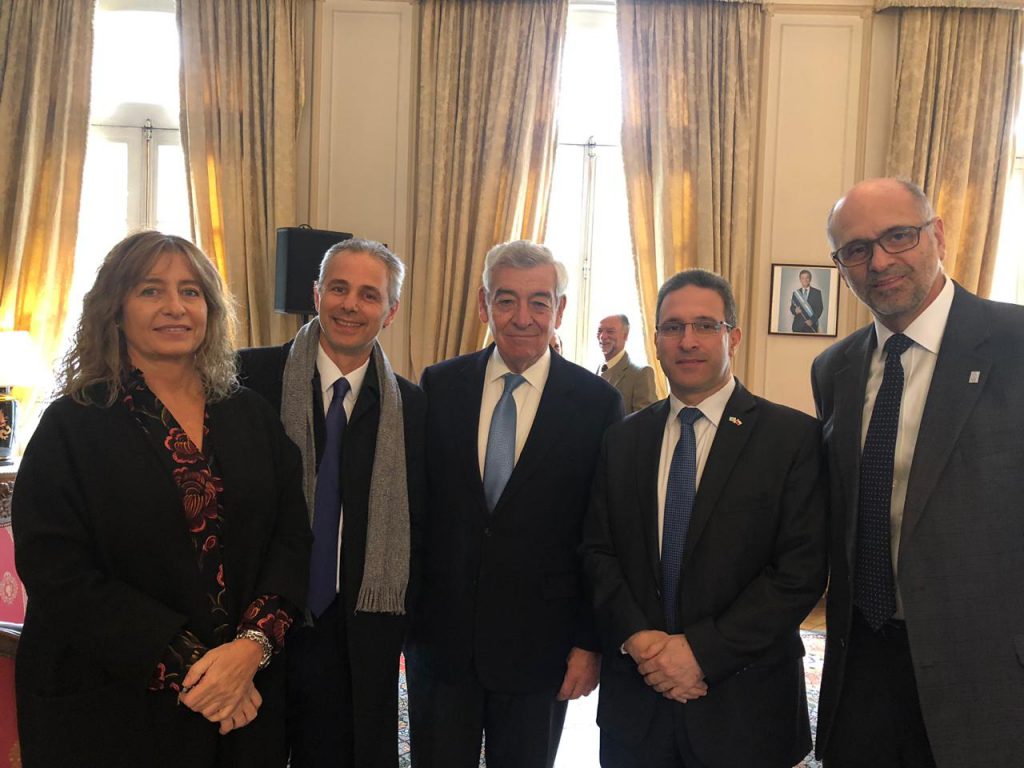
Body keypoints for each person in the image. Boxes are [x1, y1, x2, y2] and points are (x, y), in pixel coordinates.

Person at [12, 231, 311, 767]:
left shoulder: (250, 414)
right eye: (151, 290)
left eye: (191, 291)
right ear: (115, 308)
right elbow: (58, 572)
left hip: (246, 694)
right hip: (116, 703)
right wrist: (195, 668)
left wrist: (250, 649)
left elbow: (291, 539)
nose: (175, 307)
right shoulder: (71, 425)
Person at [812, 178, 1024, 767]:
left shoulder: (1015, 344)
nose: (879, 261)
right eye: (856, 249)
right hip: (863, 668)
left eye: (898, 236)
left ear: (938, 235)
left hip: (988, 673)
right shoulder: (833, 369)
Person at [583, 269, 827, 768]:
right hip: (638, 703)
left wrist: (700, 653)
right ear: (656, 340)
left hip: (745, 706)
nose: (688, 341)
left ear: (732, 336)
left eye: (705, 325)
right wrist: (637, 638)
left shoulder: (791, 438)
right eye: (673, 327)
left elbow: (799, 572)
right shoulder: (623, 439)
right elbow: (597, 551)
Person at [406, 240, 624, 768]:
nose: (522, 317)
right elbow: (419, 513)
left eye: (539, 302)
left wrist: (589, 642)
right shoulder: (440, 385)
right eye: (506, 300)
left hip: (542, 647)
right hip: (443, 641)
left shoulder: (596, 403)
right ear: (484, 305)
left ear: (559, 309)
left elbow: (604, 532)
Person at [238, 238, 426, 768]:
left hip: (359, 628)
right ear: (317, 294)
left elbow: (422, 520)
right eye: (339, 288)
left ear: (390, 311)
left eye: (369, 295)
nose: (350, 305)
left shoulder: (411, 406)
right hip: (255, 620)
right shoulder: (248, 380)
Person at [597, 313, 657, 412]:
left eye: (610, 331)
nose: (602, 336)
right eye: (599, 331)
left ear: (625, 335)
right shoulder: (594, 370)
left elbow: (646, 419)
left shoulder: (641, 373)